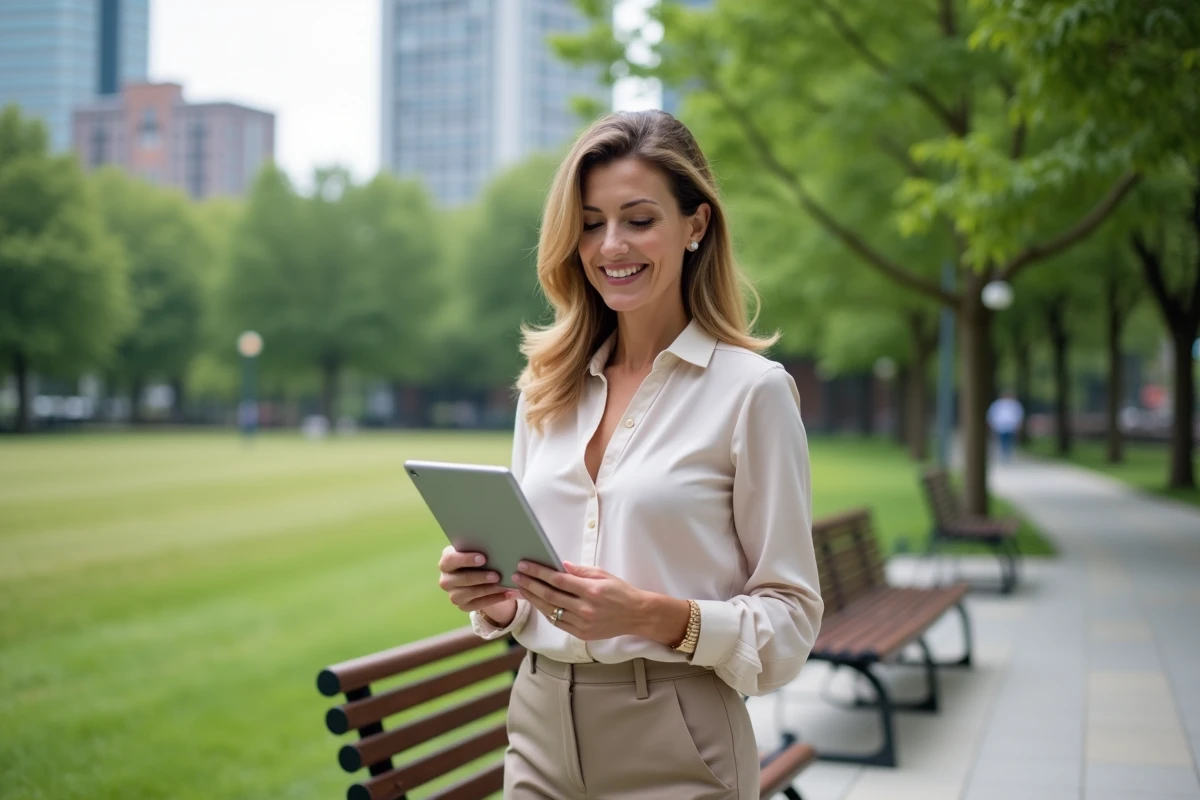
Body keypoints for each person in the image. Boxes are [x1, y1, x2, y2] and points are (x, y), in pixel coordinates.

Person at [436, 110, 823, 799]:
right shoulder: (545, 391)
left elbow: (791, 620)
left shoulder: (752, 393)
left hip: (678, 736)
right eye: (590, 222)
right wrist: (497, 601)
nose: (610, 245)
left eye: (638, 219)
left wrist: (650, 615)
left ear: (696, 225)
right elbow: (536, 596)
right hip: (538, 726)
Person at [987, 391, 1025, 462]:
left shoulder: (1014, 404)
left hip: (1010, 426)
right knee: (1004, 441)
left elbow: (1018, 416)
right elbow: (992, 415)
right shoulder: (998, 404)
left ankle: (1006, 454)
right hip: (1001, 426)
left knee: (1008, 441)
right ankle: (1005, 455)